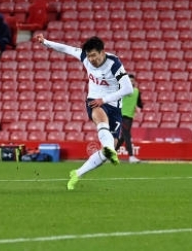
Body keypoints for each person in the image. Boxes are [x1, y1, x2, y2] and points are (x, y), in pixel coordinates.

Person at [33, 34, 133, 190]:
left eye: (94, 55)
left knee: (107, 152)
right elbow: (65, 48)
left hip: (113, 106)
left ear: (102, 52)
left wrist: (105, 99)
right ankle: (108, 148)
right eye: (89, 56)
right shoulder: (84, 56)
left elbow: (128, 89)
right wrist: (45, 42)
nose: (91, 59)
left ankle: (77, 173)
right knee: (100, 117)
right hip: (94, 101)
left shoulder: (114, 63)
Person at [116, 74, 143, 163]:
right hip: (122, 116)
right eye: (129, 81)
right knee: (127, 135)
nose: (131, 82)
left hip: (130, 116)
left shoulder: (137, 91)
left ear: (134, 82)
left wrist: (139, 107)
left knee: (123, 137)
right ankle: (131, 156)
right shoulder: (123, 90)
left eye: (132, 81)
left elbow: (140, 103)